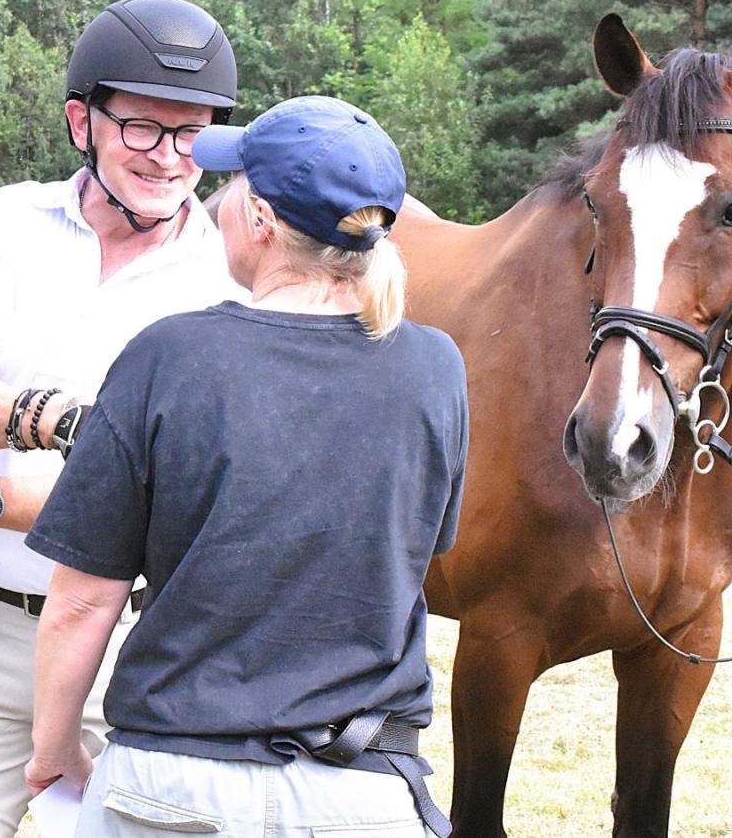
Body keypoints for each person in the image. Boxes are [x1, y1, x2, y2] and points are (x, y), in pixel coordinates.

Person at [0, 0, 244, 837]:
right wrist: (64, 421)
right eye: (142, 128)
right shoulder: (11, 221)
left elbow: (150, 499)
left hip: (128, 645)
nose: (170, 158)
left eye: (192, 135)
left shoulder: (222, 279)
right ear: (80, 121)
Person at [23, 95, 467, 838]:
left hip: (171, 787)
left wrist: (55, 746)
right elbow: (414, 552)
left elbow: (81, 602)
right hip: (362, 799)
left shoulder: (167, 356)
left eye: (230, 187)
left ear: (260, 221)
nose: (215, 199)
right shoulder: (435, 366)